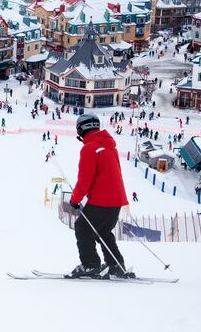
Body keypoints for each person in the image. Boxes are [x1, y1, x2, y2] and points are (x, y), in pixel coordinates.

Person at [68, 114, 132, 279]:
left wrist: (74, 200)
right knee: (102, 231)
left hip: (101, 200)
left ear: (81, 129)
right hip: (116, 199)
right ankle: (116, 265)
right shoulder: (110, 146)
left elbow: (85, 179)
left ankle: (90, 265)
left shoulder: (89, 148)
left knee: (82, 227)